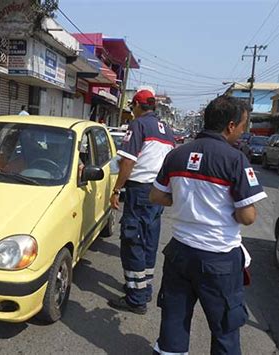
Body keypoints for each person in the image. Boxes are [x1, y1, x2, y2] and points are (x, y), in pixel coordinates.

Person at [149, 96, 267, 354]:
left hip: (179, 252)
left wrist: (184, 200)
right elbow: (248, 216)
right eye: (243, 125)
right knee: (225, 327)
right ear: (230, 125)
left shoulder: (176, 155)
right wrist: (226, 212)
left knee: (174, 320)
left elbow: (156, 196)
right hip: (219, 259)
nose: (243, 131)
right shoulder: (235, 160)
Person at [108, 89, 175, 314]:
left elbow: (127, 162)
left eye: (132, 107)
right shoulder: (167, 130)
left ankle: (136, 299)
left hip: (140, 191)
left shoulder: (138, 125)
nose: (132, 111)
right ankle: (143, 288)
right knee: (148, 241)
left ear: (137, 105)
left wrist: (117, 189)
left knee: (133, 240)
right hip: (158, 192)